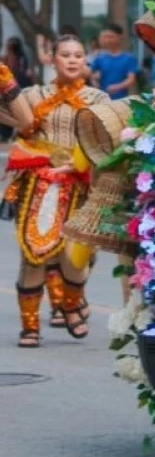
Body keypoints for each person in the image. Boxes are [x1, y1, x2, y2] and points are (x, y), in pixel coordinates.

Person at [1, 33, 109, 346]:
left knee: (75, 256)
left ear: (85, 60)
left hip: (82, 184)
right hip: (40, 183)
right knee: (34, 254)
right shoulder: (33, 95)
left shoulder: (99, 100)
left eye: (78, 55)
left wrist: (83, 164)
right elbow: (18, 123)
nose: (73, 60)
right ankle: (30, 327)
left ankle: (71, 305)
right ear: (52, 59)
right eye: (65, 54)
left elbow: (109, 142)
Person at [89, 22, 139, 101]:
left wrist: (117, 87)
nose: (108, 40)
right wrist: (95, 84)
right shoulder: (99, 58)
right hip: (103, 100)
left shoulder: (129, 58)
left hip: (122, 100)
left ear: (120, 37)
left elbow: (131, 80)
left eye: (111, 37)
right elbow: (90, 74)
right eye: (106, 37)